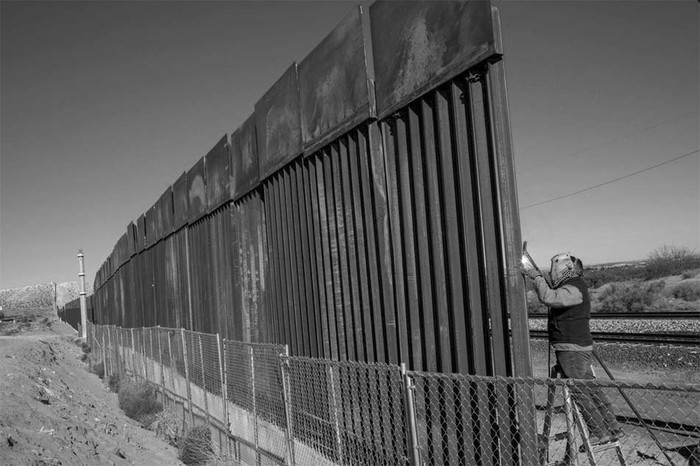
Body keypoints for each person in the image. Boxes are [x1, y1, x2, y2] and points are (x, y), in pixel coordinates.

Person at [521, 252, 624, 446]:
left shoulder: (574, 288)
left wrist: (535, 277)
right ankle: (612, 428)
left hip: (572, 349)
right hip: (575, 347)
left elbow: (549, 297)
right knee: (591, 389)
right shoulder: (573, 287)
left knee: (579, 391)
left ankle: (598, 432)